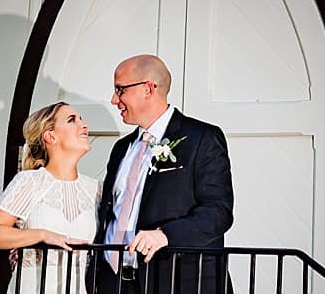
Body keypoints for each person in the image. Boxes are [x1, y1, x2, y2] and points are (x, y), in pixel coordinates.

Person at [90, 55, 232, 292]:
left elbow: (218, 212)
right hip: (113, 284)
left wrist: (165, 235)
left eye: (120, 90)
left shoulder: (202, 139)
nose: (114, 100)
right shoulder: (121, 148)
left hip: (175, 282)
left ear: (148, 88)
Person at [0, 100, 99, 291]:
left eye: (81, 119)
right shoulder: (30, 181)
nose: (84, 125)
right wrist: (43, 235)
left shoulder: (95, 190)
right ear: (50, 136)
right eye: (72, 120)